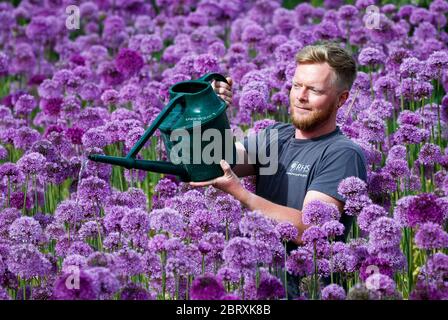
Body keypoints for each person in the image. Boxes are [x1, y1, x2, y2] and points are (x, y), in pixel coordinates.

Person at [190, 42, 367, 298]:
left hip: (306, 289)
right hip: (257, 285)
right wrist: (208, 110)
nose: (300, 96)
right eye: (296, 86)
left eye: (314, 90)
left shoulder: (342, 153)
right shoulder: (276, 136)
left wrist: (243, 195)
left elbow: (310, 230)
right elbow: (210, 160)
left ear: (341, 99)